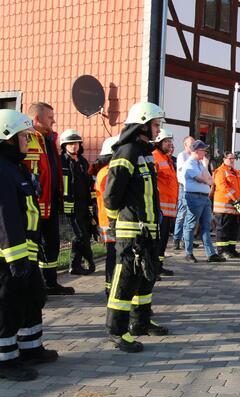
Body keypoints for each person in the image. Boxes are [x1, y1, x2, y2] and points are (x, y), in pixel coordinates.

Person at [103, 102, 169, 353]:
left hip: (148, 230)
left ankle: (140, 322)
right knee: (125, 281)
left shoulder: (145, 153)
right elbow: (111, 196)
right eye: (155, 125)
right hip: (131, 232)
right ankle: (117, 331)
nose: (158, 130)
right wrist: (117, 224)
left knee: (144, 280)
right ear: (142, 124)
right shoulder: (127, 152)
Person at [0, 110, 61, 380]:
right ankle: (5, 361)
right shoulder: (2, 169)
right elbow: (6, 217)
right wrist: (16, 259)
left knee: (33, 299)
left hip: (26, 253)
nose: (29, 141)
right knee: (7, 307)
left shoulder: (15, 166)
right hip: (8, 257)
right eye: (24, 137)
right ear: (8, 138)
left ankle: (31, 348)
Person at [25, 102, 72, 295]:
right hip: (33, 206)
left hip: (51, 203)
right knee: (33, 247)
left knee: (52, 244)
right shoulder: (26, 138)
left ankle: (50, 282)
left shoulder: (49, 140)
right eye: (50, 117)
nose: (54, 121)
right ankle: (32, 286)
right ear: (37, 119)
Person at [59, 129, 96, 276]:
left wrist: (92, 202)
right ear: (64, 146)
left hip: (84, 205)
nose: (74, 146)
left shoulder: (83, 162)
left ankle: (75, 265)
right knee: (80, 235)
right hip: (70, 206)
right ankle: (86, 262)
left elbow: (90, 182)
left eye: (76, 143)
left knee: (84, 235)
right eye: (71, 144)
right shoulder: (61, 161)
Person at [181, 140, 224, 263]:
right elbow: (202, 179)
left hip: (204, 197)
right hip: (194, 197)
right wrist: (205, 174)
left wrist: (205, 173)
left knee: (206, 226)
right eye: (203, 150)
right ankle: (189, 253)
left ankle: (211, 254)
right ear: (196, 151)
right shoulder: (189, 164)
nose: (205, 153)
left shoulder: (199, 164)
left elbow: (211, 180)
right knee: (191, 225)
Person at [91, 136, 119, 298]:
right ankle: (110, 288)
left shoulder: (108, 171)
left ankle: (112, 287)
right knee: (113, 256)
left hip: (110, 220)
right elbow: (113, 196)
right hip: (109, 221)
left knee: (114, 255)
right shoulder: (108, 173)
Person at [152, 128, 179, 276]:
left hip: (168, 209)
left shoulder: (167, 159)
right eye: (166, 141)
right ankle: (153, 268)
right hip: (159, 208)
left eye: (170, 141)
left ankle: (159, 266)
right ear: (158, 142)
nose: (169, 144)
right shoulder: (155, 157)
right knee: (157, 240)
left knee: (163, 241)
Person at [212, 152, 240, 259]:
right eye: (230, 158)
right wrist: (236, 198)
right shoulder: (220, 171)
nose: (232, 160)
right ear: (224, 159)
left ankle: (231, 249)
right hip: (224, 206)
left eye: (234, 158)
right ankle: (222, 251)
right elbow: (223, 187)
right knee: (223, 229)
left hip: (235, 206)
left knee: (233, 229)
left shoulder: (238, 173)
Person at [173, 135, 195, 250]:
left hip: (193, 188)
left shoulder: (194, 156)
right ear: (185, 145)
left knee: (190, 214)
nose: (194, 146)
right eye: (192, 144)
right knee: (182, 213)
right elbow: (185, 169)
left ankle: (186, 240)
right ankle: (176, 239)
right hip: (184, 186)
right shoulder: (182, 155)